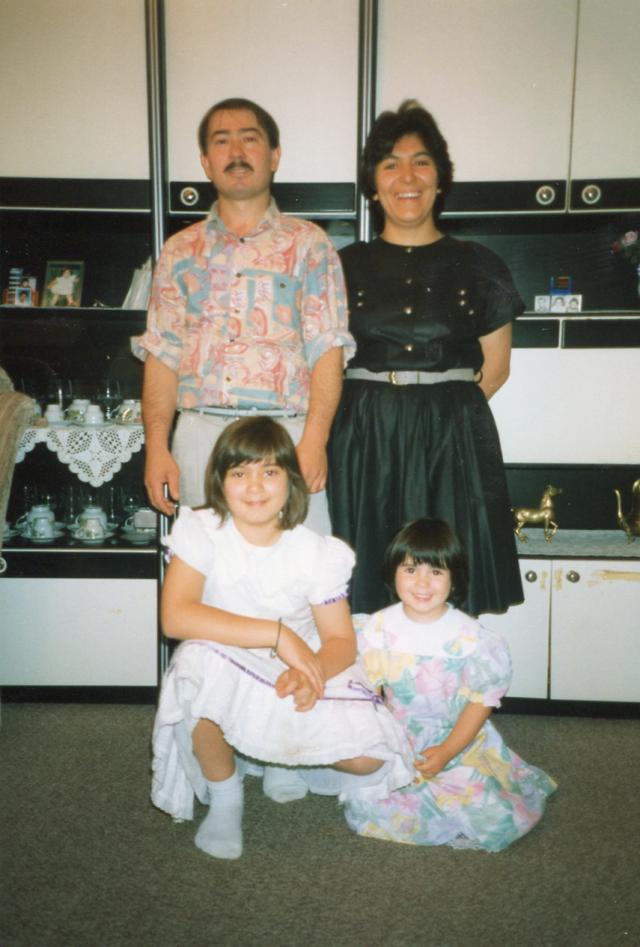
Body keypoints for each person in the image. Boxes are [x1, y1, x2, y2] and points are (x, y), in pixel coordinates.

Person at [151, 417, 414, 860]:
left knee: (370, 759)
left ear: (292, 483)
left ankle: (272, 756)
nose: (254, 486)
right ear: (219, 482)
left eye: (269, 472)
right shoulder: (202, 530)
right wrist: (276, 635)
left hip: (299, 664)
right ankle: (227, 795)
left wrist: (310, 674)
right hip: (226, 660)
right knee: (195, 663)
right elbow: (175, 618)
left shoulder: (314, 550)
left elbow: (339, 640)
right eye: (239, 473)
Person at [327, 100, 524, 615]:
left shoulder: (481, 264)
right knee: (363, 576)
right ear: (373, 183)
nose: (406, 176)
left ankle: (448, 687)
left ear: (441, 178)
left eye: (421, 162)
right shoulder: (340, 266)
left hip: (450, 435)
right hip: (364, 434)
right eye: (390, 164)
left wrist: (436, 413)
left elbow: (496, 368)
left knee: (447, 573)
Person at [133, 97, 354, 535]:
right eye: (222, 141)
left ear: (274, 156)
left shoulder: (310, 245)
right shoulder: (179, 251)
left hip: (286, 436)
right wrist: (157, 448)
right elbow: (162, 354)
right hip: (200, 438)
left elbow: (328, 349)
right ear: (206, 162)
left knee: (297, 583)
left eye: (249, 139)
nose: (236, 152)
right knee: (206, 578)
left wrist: (314, 440)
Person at [344, 518, 557, 852]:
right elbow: (366, 691)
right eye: (411, 570)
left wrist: (447, 750)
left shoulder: (471, 638)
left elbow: (480, 704)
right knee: (369, 808)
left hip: (460, 739)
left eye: (437, 572)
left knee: (492, 815)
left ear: (454, 577)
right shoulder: (377, 628)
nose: (423, 583)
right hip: (400, 740)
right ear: (392, 573)